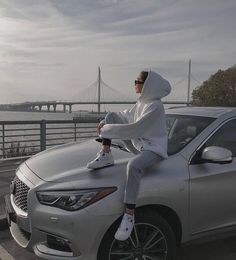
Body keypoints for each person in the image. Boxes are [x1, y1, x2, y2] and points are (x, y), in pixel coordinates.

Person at [87, 70, 171, 241]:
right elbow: (124, 116)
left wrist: (105, 131)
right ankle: (105, 154)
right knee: (111, 115)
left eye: (137, 81)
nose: (134, 84)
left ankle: (129, 214)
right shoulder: (141, 102)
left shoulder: (155, 106)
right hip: (139, 144)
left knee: (133, 166)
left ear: (147, 85)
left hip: (153, 150)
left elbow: (135, 128)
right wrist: (105, 122)